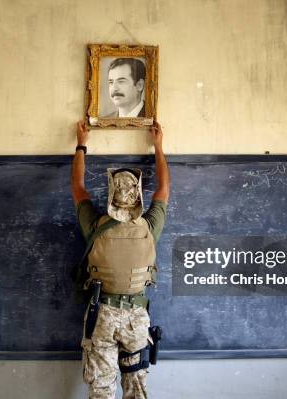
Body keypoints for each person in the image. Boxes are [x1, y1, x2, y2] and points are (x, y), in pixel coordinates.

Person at [71, 119, 170, 398]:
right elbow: (164, 187)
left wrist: (81, 144)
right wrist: (158, 146)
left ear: (111, 194)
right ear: (138, 195)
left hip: (101, 314)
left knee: (101, 390)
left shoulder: (95, 225)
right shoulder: (150, 227)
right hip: (137, 318)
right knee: (136, 389)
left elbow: (78, 186)